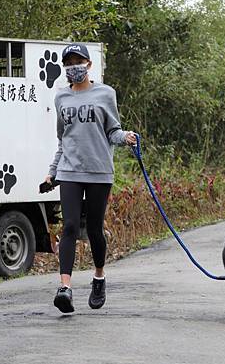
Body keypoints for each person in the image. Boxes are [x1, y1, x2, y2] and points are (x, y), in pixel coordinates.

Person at [46, 43, 136, 313]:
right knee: (70, 226)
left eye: (78, 60)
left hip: (99, 170)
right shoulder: (61, 98)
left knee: (94, 229)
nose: (73, 66)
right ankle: (65, 288)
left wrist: (127, 138)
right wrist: (52, 171)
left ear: (88, 64)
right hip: (70, 171)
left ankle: (99, 276)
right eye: (68, 62)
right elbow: (63, 140)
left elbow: (113, 131)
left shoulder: (106, 94)